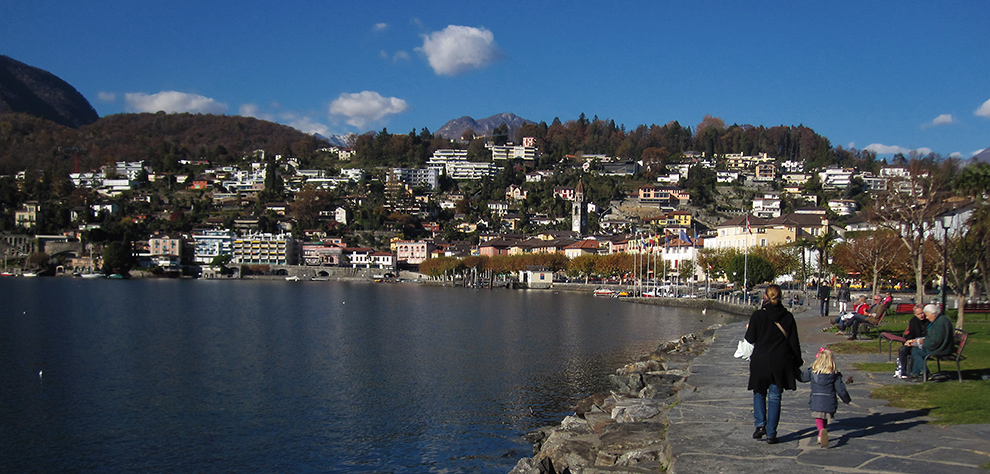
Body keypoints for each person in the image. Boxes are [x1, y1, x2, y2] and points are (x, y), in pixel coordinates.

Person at [746, 284, 803, 444]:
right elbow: (794, 342)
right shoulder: (788, 317)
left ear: (765, 296)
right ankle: (771, 433)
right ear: (780, 297)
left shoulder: (757, 316)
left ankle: (760, 425)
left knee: (759, 392)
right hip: (780, 361)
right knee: (775, 397)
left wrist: (750, 328)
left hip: (761, 361)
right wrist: (798, 362)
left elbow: (750, 338)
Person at [797, 348, 851, 448]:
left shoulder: (812, 372)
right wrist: (846, 399)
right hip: (829, 400)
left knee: (819, 418)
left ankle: (820, 432)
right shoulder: (835, 375)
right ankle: (822, 432)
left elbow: (802, 378)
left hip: (816, 400)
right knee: (825, 417)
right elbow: (841, 390)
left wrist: (794, 369)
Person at [906, 303, 955, 380]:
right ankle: (915, 373)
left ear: (934, 314)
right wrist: (920, 342)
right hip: (944, 346)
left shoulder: (939, 323)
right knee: (916, 349)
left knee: (916, 351)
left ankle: (925, 373)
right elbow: (934, 338)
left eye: (928, 315)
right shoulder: (941, 319)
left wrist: (923, 343)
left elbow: (935, 342)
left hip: (942, 349)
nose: (927, 317)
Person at [894, 305, 928, 378]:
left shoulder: (928, 321)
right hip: (913, 341)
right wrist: (908, 341)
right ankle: (903, 370)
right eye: (918, 314)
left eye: (922, 313)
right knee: (902, 349)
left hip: (922, 343)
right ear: (915, 314)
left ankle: (912, 371)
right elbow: (911, 333)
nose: (921, 315)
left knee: (914, 350)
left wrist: (915, 341)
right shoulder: (913, 321)